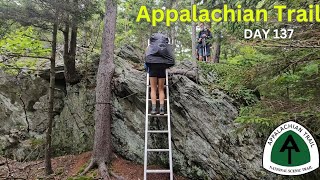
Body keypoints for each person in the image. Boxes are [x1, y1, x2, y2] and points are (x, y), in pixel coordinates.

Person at [145, 33, 175, 115]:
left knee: (153, 89)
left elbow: (146, 59)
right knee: (161, 89)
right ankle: (162, 109)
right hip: (162, 68)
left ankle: (154, 109)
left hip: (152, 68)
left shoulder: (150, 47)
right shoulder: (164, 48)